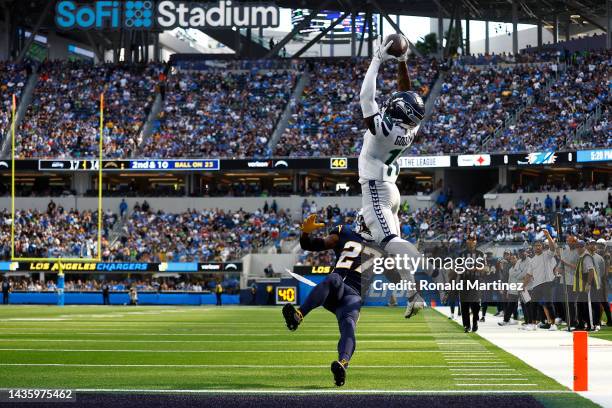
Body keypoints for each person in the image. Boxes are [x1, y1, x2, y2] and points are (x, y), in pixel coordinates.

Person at [358, 36, 426, 318]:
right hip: (389, 190)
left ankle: (427, 262)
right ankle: (412, 295)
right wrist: (402, 62)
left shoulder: (384, 130)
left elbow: (366, 97)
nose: (392, 101)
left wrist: (377, 59)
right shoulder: (410, 127)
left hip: (376, 189)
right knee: (385, 252)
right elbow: (407, 94)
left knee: (388, 245)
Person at [282, 213, 382, 387]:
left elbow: (398, 271)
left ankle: (342, 365)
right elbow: (310, 245)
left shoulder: (383, 246)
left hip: (354, 296)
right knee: (334, 278)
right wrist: (305, 233)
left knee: (349, 325)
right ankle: (298, 315)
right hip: (336, 289)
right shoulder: (345, 233)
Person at [457, 235, 486, 333]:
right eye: (469, 240)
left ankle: (475, 323)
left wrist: (476, 269)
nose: (471, 242)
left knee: (475, 304)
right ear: (466, 241)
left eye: (473, 240)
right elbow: (458, 268)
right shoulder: (461, 254)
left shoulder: (480, 254)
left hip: (476, 280)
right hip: (464, 281)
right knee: (464, 304)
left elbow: (484, 268)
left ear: (475, 242)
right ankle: (466, 325)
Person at [573, 240, 600, 331]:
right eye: (577, 246)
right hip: (582, 285)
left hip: (588, 284)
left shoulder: (586, 257)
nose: (579, 248)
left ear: (584, 247)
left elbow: (591, 271)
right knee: (580, 305)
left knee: (588, 306)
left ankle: (591, 325)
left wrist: (588, 284)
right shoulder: (581, 257)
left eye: (581, 246)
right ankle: (581, 324)